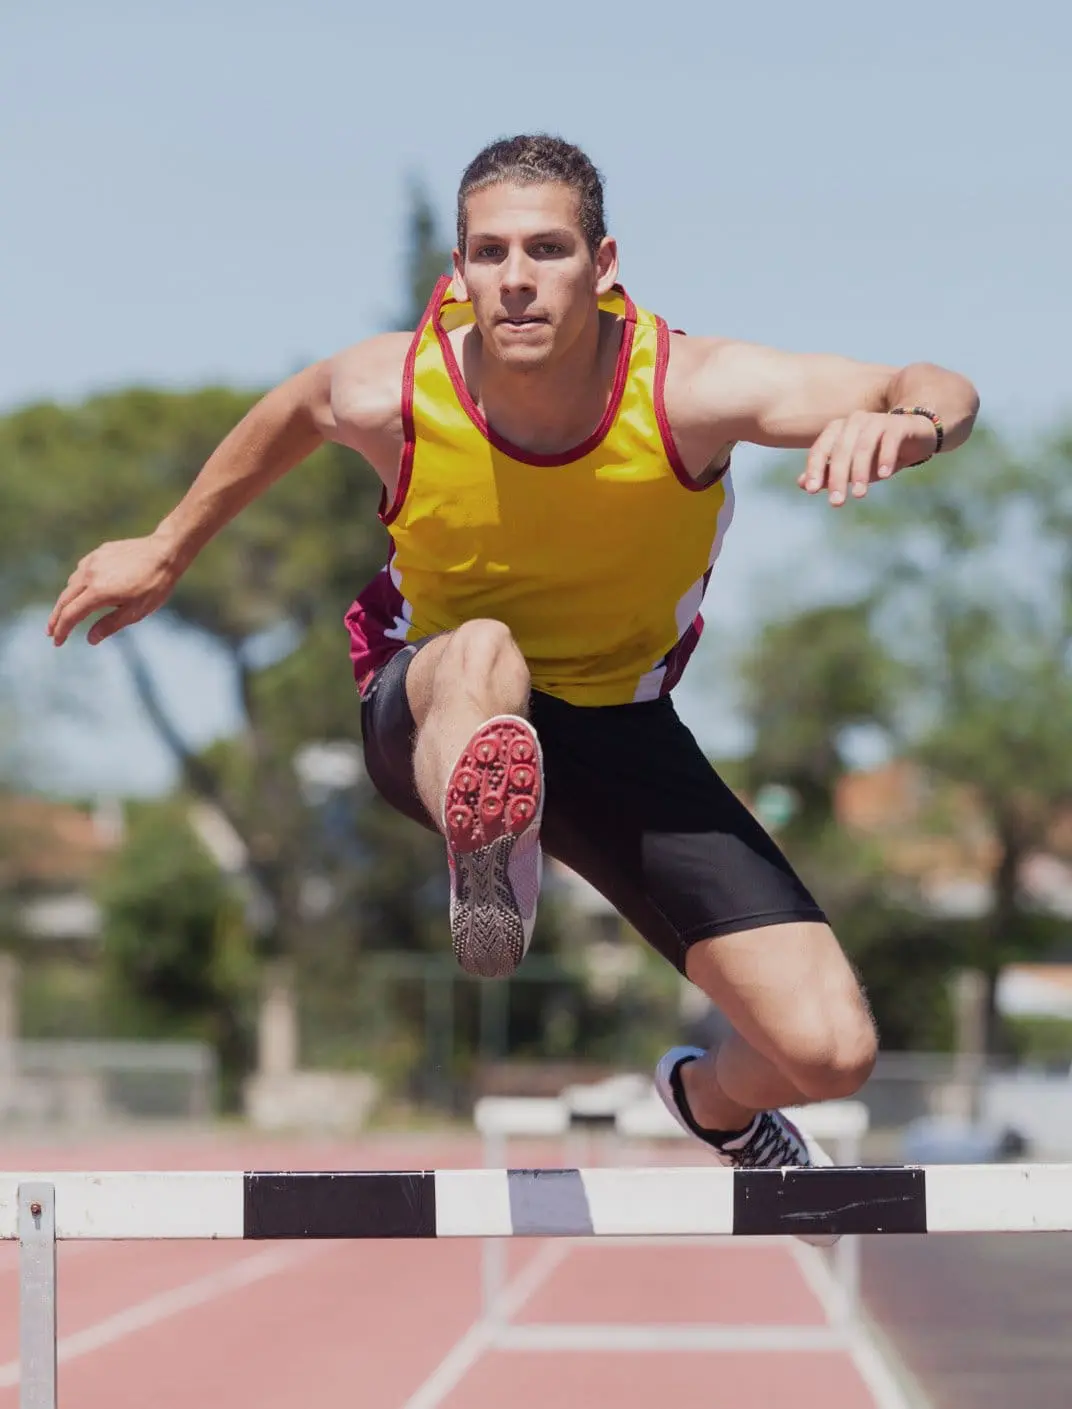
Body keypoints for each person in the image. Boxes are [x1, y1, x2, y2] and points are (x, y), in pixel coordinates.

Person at [46, 134, 980, 1199]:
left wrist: (907, 425)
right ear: (459, 272)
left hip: (622, 729)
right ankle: (489, 840)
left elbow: (937, 382)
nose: (517, 280)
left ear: (605, 264)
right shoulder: (395, 388)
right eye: (488, 254)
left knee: (828, 1049)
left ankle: (709, 1101)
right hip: (436, 696)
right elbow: (297, 407)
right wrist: (167, 543)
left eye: (546, 249)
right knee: (489, 650)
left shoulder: (690, 390)